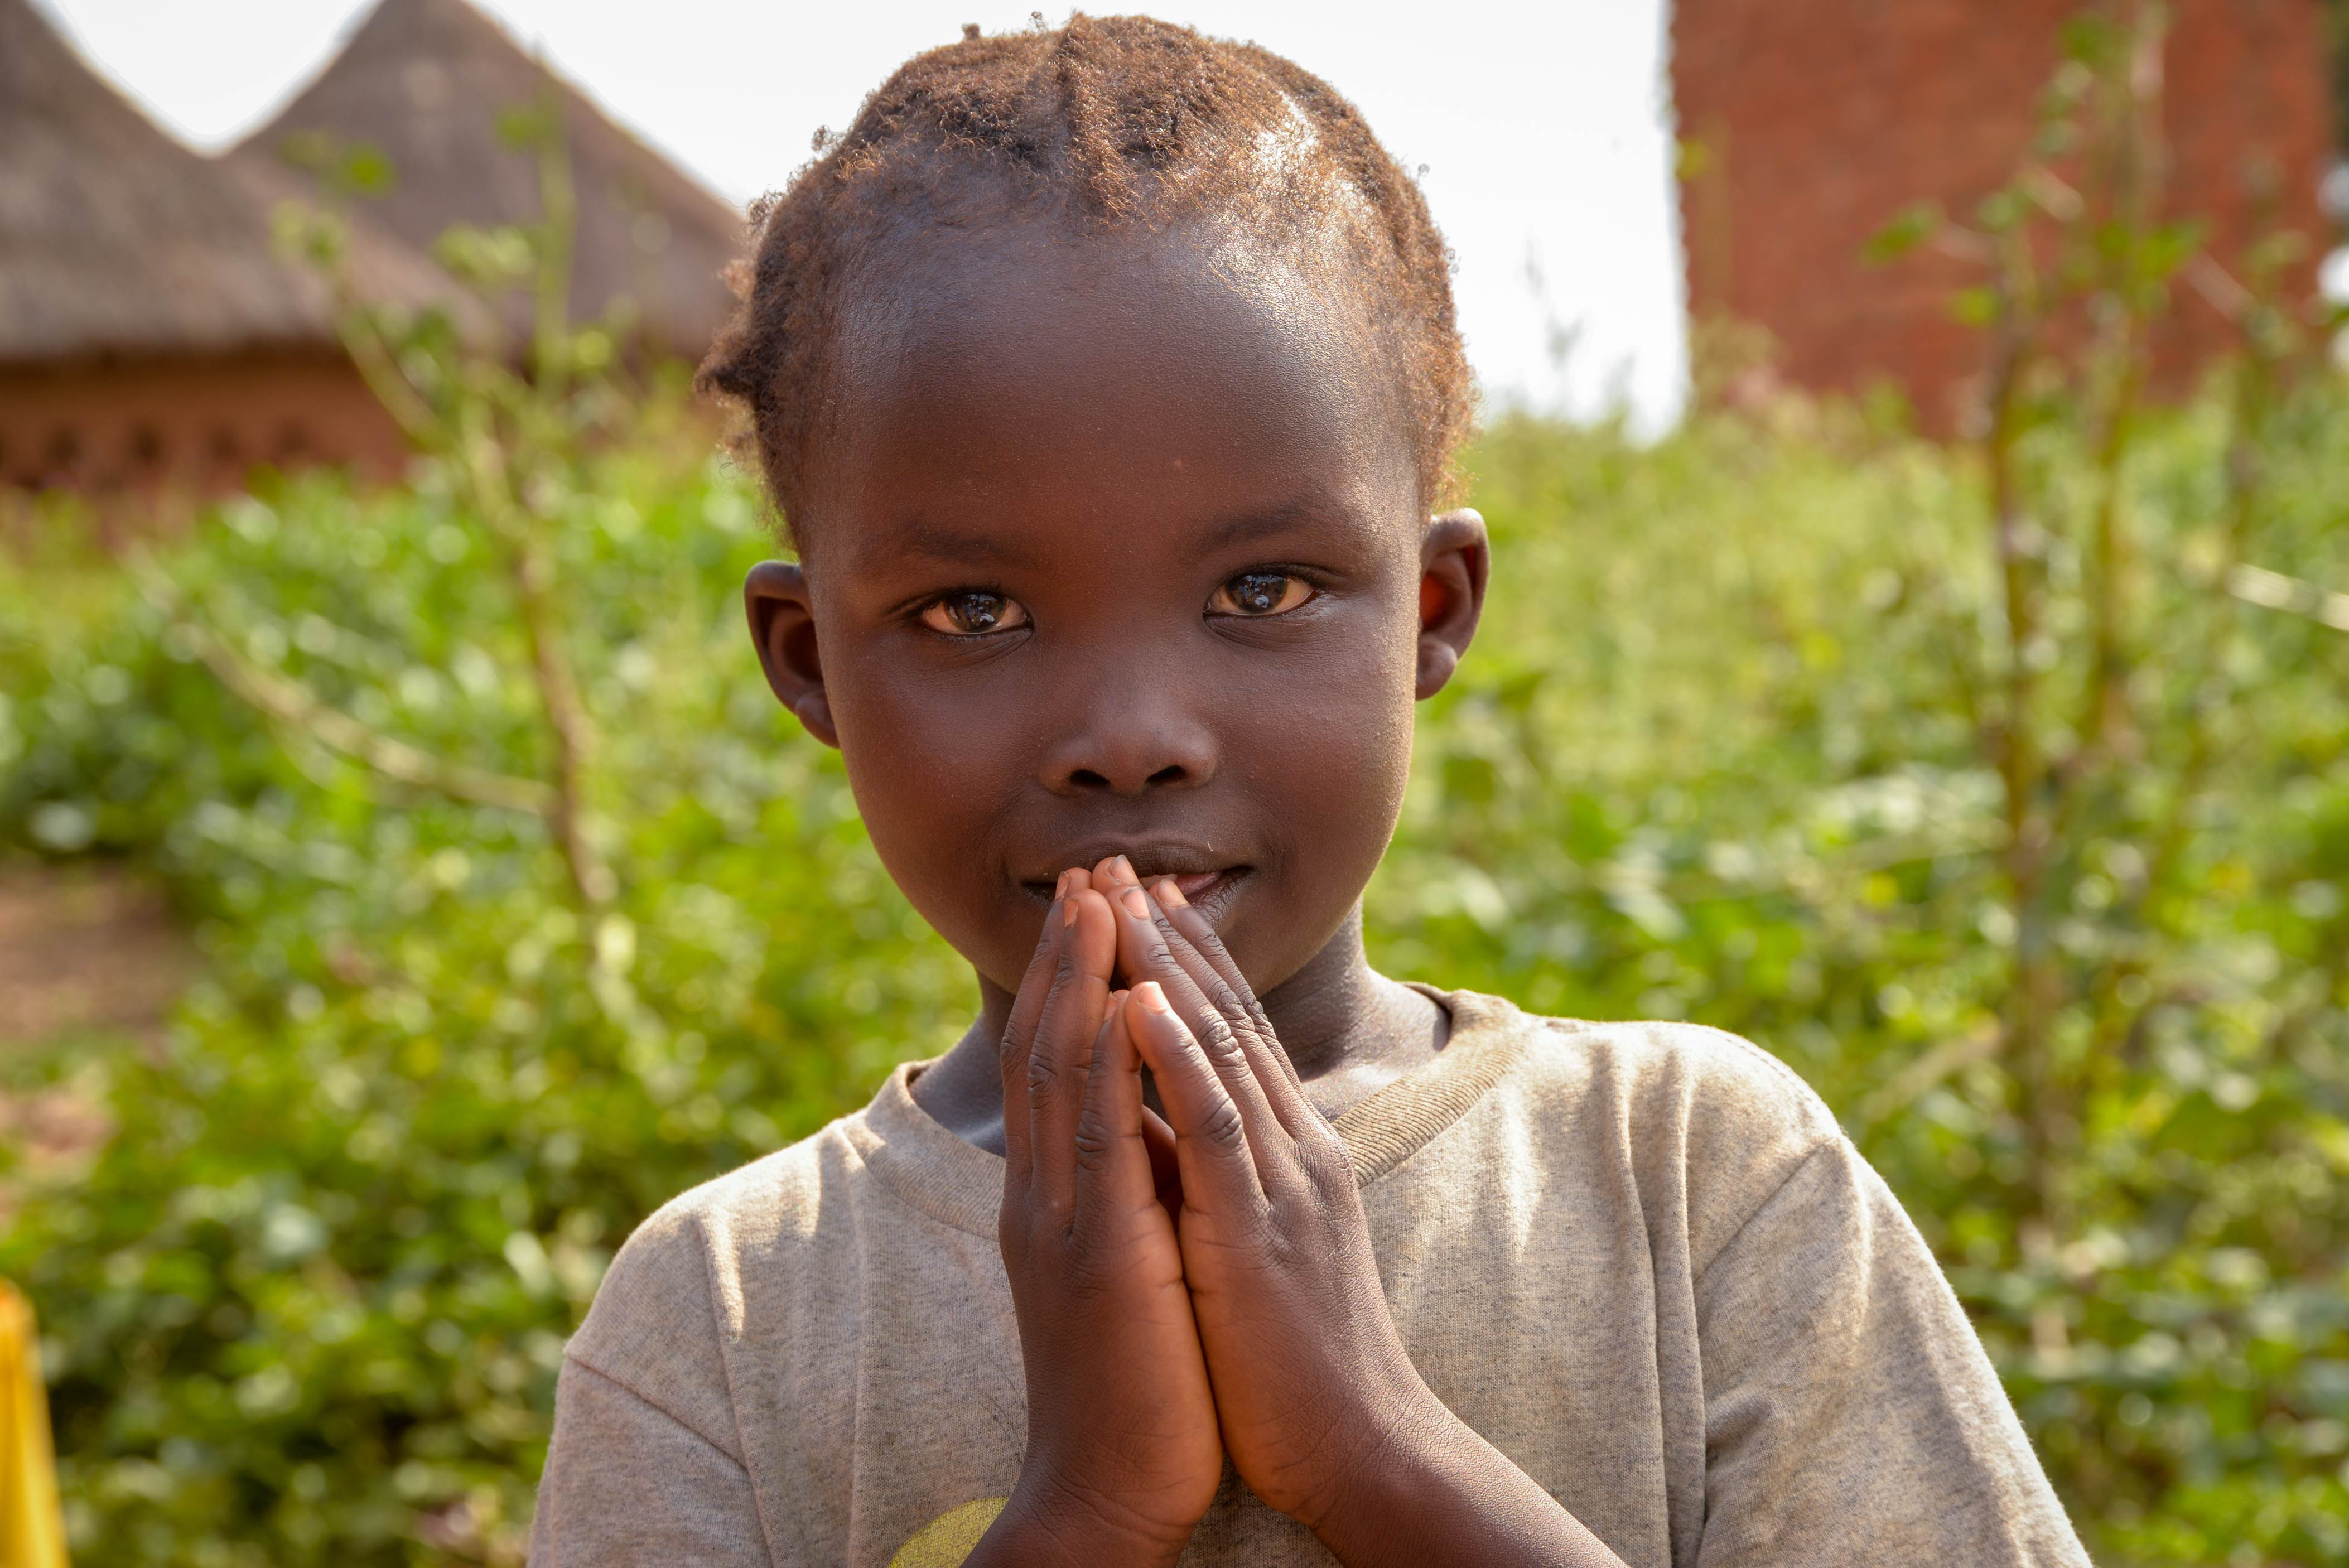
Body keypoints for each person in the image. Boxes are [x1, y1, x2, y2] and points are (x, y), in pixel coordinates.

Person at [530, 17, 2089, 1566]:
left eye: (1261, 589)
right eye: (974, 612)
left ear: (1429, 613)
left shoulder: (1691, 1180)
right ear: (808, 659)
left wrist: (1373, 1448)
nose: (1128, 737)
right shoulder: (723, 1320)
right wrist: (1082, 1512)